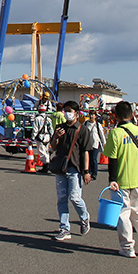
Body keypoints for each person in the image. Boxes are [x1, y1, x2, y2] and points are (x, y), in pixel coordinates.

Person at [103, 101, 138, 258]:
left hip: (120, 181)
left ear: (116, 116)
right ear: (132, 114)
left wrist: (111, 179)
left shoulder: (115, 133)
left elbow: (112, 159)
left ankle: (128, 247)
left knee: (123, 214)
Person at [49, 100, 93, 241]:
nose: (67, 113)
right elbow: (53, 147)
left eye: (70, 111)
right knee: (62, 199)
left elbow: (86, 151)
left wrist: (86, 171)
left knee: (74, 197)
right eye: (65, 110)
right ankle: (64, 228)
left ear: (76, 113)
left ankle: (84, 217)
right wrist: (56, 137)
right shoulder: (60, 128)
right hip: (61, 168)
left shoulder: (82, 130)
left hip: (75, 168)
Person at [33, 105, 53, 174]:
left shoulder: (37, 119)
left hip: (41, 137)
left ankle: (45, 166)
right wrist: (52, 137)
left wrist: (32, 137)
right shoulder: (48, 119)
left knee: (41, 152)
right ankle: (48, 165)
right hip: (47, 136)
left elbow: (35, 129)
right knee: (46, 151)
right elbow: (51, 129)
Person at [87, 111, 106, 180]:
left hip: (95, 144)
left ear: (95, 116)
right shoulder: (86, 123)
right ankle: (88, 172)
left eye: (93, 115)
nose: (91, 116)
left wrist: (104, 143)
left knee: (93, 159)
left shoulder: (97, 125)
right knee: (88, 159)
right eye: (90, 115)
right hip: (87, 144)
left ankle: (94, 173)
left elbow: (101, 134)